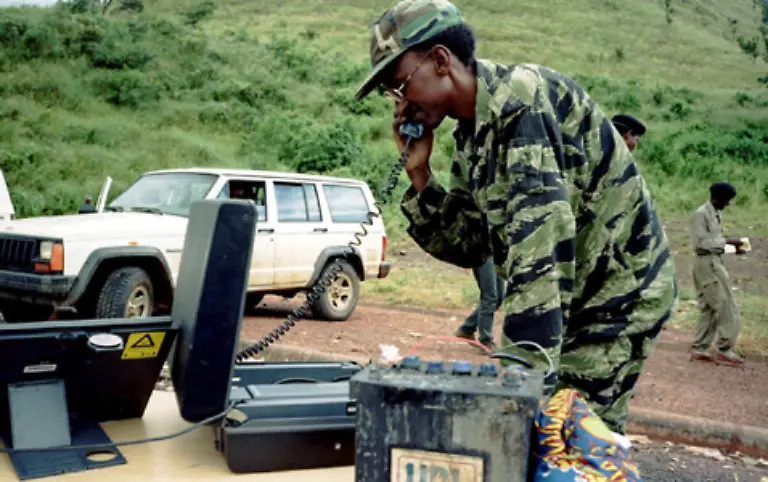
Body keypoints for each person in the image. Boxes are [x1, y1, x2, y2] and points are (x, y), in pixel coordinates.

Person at [354, 0, 678, 435]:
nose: (399, 104)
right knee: (545, 432)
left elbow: (541, 242)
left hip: (614, 297)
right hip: (575, 297)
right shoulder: (472, 137)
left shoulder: (521, 99)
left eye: (400, 85)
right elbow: (470, 246)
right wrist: (420, 174)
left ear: (440, 60)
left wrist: (515, 379)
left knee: (575, 438)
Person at [689, 181, 745, 366]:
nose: (728, 204)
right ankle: (724, 348)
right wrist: (727, 242)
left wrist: (731, 248)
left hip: (713, 262)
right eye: (726, 200)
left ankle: (700, 347)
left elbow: (712, 245)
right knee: (724, 304)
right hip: (708, 266)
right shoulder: (701, 215)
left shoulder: (714, 214)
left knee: (709, 306)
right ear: (717, 198)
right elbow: (700, 245)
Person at [455, 256, 505, 350]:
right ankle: (486, 341)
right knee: (489, 296)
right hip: (482, 254)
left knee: (499, 297)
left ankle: (467, 329)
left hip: (497, 253)